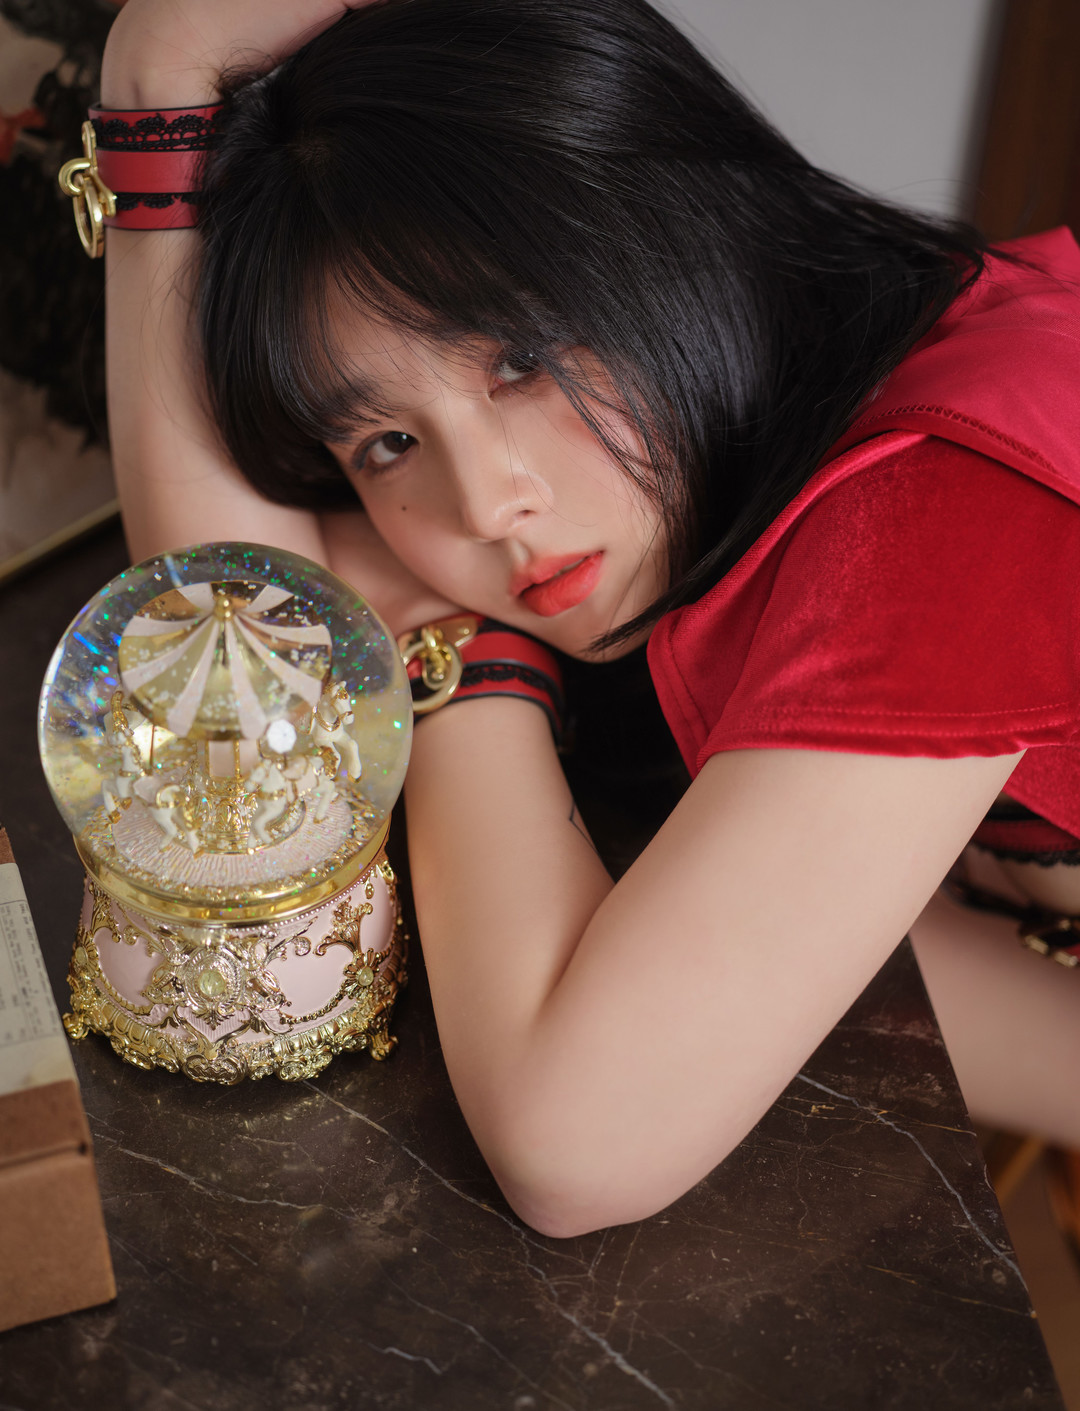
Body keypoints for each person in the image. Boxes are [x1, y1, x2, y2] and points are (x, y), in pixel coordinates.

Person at [98, 0, 1080, 1238]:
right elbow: (239, 674)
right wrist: (155, 94)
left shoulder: (948, 495)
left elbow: (577, 1145)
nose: (486, 505)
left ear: (669, 229)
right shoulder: (784, 450)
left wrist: (453, 653)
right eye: (388, 442)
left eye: (520, 359)